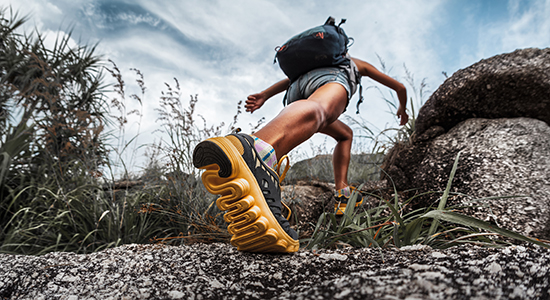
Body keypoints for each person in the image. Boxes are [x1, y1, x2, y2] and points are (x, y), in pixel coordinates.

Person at [193, 49, 408, 254]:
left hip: (296, 92)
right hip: (330, 81)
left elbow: (289, 81)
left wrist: (264, 95)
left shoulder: (310, 64)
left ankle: (339, 190)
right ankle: (255, 150)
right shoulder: (350, 62)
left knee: (344, 133)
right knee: (320, 109)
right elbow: (400, 88)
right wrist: (402, 108)